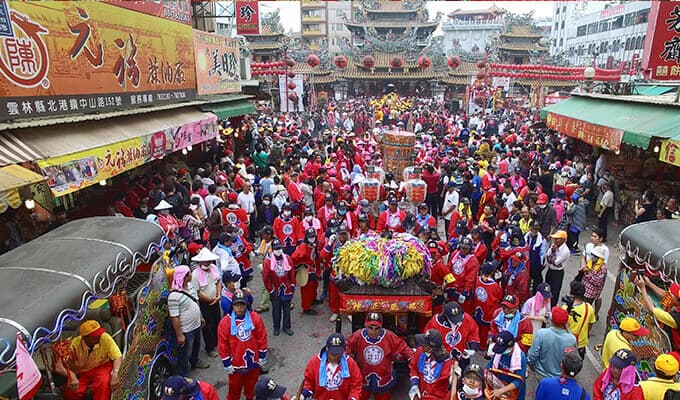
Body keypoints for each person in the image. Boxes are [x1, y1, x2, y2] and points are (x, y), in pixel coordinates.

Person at [346, 312, 414, 400]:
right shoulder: (358, 335)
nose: (373, 331)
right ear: (366, 326)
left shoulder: (389, 336)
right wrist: (347, 362)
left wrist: (413, 359)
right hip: (363, 376)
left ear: (381, 327)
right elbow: (347, 346)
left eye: (376, 328)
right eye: (370, 328)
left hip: (384, 377)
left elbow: (403, 347)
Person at [217, 290, 268, 400]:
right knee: (234, 390)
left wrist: (262, 356)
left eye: (242, 304)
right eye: (236, 305)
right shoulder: (225, 323)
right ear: (232, 306)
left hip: (253, 361)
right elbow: (222, 345)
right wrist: (227, 363)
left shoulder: (255, 318)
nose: (239, 308)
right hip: (235, 365)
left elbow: (261, 338)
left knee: (252, 388)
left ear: (247, 305)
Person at [53, 320, 122, 400]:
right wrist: (70, 375)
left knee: (103, 382)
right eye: (95, 335)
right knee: (70, 391)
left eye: (99, 333)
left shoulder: (105, 337)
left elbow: (117, 356)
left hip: (102, 367)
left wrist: (115, 373)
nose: (99, 336)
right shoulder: (72, 345)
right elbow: (57, 366)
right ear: (85, 338)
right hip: (82, 373)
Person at [168, 265, 209, 377]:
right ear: (182, 277)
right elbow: (174, 317)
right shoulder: (174, 296)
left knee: (196, 346)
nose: (190, 275)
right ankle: (182, 375)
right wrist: (180, 335)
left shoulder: (190, 287)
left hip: (196, 325)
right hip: (186, 329)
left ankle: (195, 362)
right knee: (185, 353)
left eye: (189, 273)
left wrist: (201, 317)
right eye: (187, 274)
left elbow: (196, 302)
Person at [526, 307, 577, 397]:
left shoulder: (541, 334)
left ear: (552, 320)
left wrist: (531, 365)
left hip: (540, 375)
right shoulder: (571, 339)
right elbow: (572, 358)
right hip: (560, 378)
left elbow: (532, 355)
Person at [301, 333, 363, 400]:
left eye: (339, 354)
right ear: (327, 348)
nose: (335, 356)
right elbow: (309, 382)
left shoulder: (351, 364)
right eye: (333, 353)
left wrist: (353, 397)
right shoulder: (314, 362)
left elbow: (356, 385)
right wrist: (305, 394)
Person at [191, 248, 222, 358]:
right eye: (205, 261)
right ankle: (210, 347)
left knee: (217, 321)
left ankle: (218, 342)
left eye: (209, 260)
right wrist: (209, 300)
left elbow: (218, 281)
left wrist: (218, 295)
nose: (208, 263)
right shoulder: (195, 274)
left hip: (215, 300)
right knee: (207, 325)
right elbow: (196, 292)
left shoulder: (213, 268)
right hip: (205, 303)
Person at [262, 239, 296, 336]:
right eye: (276, 249)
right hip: (275, 289)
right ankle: (276, 327)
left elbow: (292, 273)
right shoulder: (268, 262)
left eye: (279, 248)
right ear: (272, 250)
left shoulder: (287, 258)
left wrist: (293, 285)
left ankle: (286, 327)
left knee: (287, 310)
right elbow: (266, 278)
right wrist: (270, 290)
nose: (278, 250)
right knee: (276, 310)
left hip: (286, 289)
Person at [637, 276, 680, 352]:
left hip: (675, 347)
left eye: (673, 294)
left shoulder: (675, 318)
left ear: (677, 301)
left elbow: (651, 309)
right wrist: (649, 283)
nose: (670, 294)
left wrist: (642, 288)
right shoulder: (676, 302)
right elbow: (666, 295)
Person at [408, 329, 454, 400]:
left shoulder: (447, 363)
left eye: (425, 345)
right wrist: (415, 384)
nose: (421, 346)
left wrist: (454, 378)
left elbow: (450, 385)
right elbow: (413, 367)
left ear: (432, 348)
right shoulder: (420, 352)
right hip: (422, 394)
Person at [485, 330, 527, 400]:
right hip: (498, 385)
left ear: (511, 347)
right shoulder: (499, 352)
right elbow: (489, 366)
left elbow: (519, 380)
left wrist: (502, 390)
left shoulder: (520, 358)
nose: (501, 353)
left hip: (514, 391)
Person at [292, 228, 323, 315]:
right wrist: (301, 263)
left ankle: (313, 299)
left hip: (313, 268)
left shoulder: (314, 245)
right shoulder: (303, 246)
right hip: (306, 270)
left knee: (314, 285)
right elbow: (294, 257)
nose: (312, 238)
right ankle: (306, 308)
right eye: (310, 237)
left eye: (313, 236)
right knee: (306, 289)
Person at [473, 261, 503, 350]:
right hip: (488, 311)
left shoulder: (477, 280)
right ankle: (482, 346)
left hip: (477, 307)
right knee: (485, 330)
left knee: (477, 327)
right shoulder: (495, 286)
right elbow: (499, 297)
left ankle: (476, 343)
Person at [580, 228, 609, 317]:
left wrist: (588, 273)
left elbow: (599, 275)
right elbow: (584, 257)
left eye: (595, 236)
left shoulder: (604, 250)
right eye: (592, 236)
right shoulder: (589, 245)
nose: (592, 238)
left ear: (600, 238)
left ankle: (595, 314)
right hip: (586, 273)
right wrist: (583, 267)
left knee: (597, 297)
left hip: (593, 279)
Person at [564, 281, 596, 359]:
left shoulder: (565, 308)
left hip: (566, 342)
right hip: (580, 343)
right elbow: (590, 324)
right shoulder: (589, 308)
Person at [449, 237, 480, 314]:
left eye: (466, 248)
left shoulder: (473, 260)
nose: (463, 250)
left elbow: (470, 279)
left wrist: (465, 292)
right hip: (452, 287)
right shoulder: (455, 254)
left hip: (462, 291)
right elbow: (449, 268)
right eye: (462, 247)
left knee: (463, 313)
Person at [544, 230, 570, 307]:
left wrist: (553, 253)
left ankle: (552, 307)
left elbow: (555, 262)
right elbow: (547, 257)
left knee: (554, 291)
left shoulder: (565, 251)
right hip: (550, 270)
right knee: (547, 288)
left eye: (557, 239)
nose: (554, 240)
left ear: (563, 240)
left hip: (557, 273)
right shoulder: (553, 246)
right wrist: (551, 256)